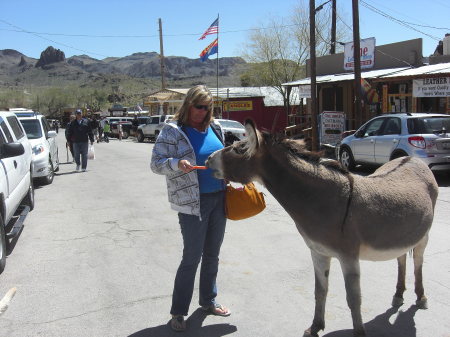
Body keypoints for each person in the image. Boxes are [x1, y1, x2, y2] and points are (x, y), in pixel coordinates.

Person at [151, 85, 230, 332]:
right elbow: (156, 164)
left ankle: (208, 301)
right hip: (192, 203)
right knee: (191, 258)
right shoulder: (173, 131)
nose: (203, 111)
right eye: (199, 106)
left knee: (212, 255)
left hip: (219, 198)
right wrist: (176, 163)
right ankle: (178, 312)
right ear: (188, 105)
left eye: (207, 107)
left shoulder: (214, 127)